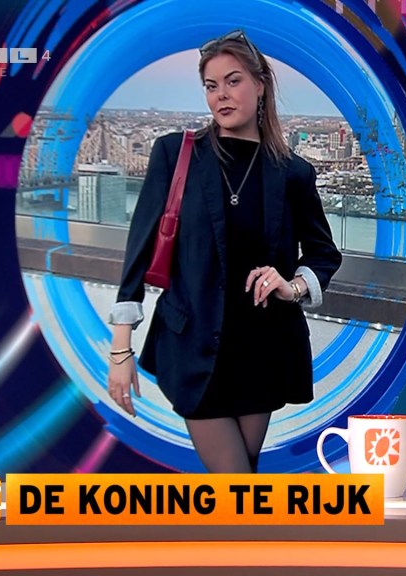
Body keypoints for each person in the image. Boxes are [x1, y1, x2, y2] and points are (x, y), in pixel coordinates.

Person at [106, 29, 341, 473]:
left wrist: (291, 287)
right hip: (192, 349)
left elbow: (323, 254)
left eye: (233, 81)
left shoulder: (293, 172)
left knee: (239, 490)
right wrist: (121, 350)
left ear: (260, 85)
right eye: (211, 85)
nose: (221, 95)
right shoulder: (175, 153)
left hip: (262, 351)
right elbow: (138, 253)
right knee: (237, 484)